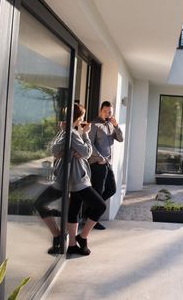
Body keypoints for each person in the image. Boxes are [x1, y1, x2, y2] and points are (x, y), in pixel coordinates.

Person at [38, 103, 106, 256]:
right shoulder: (73, 133)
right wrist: (86, 134)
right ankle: (78, 238)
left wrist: (69, 148)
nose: (83, 120)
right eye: (82, 117)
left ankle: (72, 244)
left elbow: (59, 150)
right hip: (77, 180)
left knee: (74, 210)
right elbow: (86, 153)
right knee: (100, 206)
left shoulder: (68, 132)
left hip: (73, 178)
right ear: (77, 118)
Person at [87, 101, 124, 230]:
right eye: (106, 111)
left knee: (112, 189)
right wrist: (100, 158)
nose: (108, 114)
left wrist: (117, 125)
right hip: (98, 163)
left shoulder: (110, 124)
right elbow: (89, 144)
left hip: (108, 164)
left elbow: (120, 139)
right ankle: (93, 220)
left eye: (110, 112)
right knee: (97, 191)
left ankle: (90, 211)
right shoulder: (94, 124)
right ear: (101, 110)